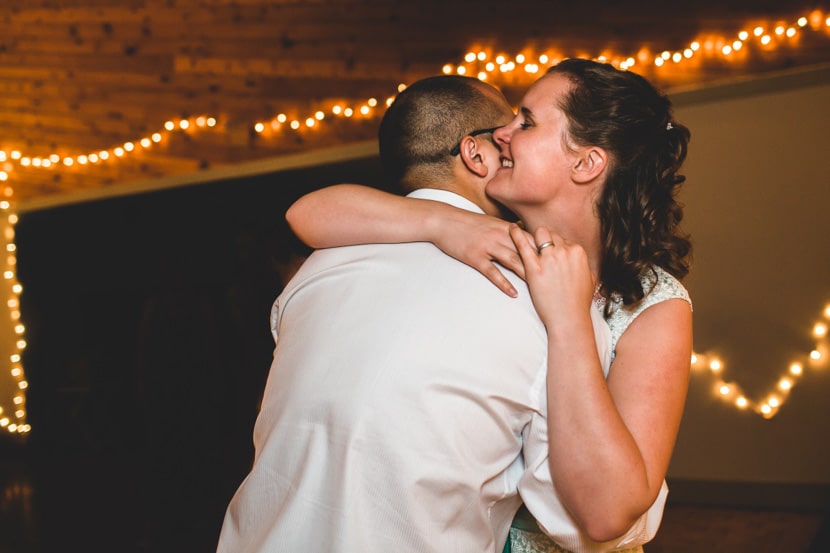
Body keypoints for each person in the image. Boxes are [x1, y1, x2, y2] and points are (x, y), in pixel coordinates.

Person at [285, 58, 693, 553]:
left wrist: (567, 318)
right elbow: (308, 212)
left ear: (586, 163)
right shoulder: (488, 246)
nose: (502, 134)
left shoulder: (654, 303)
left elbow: (610, 512)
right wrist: (444, 223)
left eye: (525, 121)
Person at [216, 75, 616, 553]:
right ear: (476, 154)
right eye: (507, 126)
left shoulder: (316, 270)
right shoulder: (543, 294)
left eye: (524, 124)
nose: (510, 136)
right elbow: (579, 518)